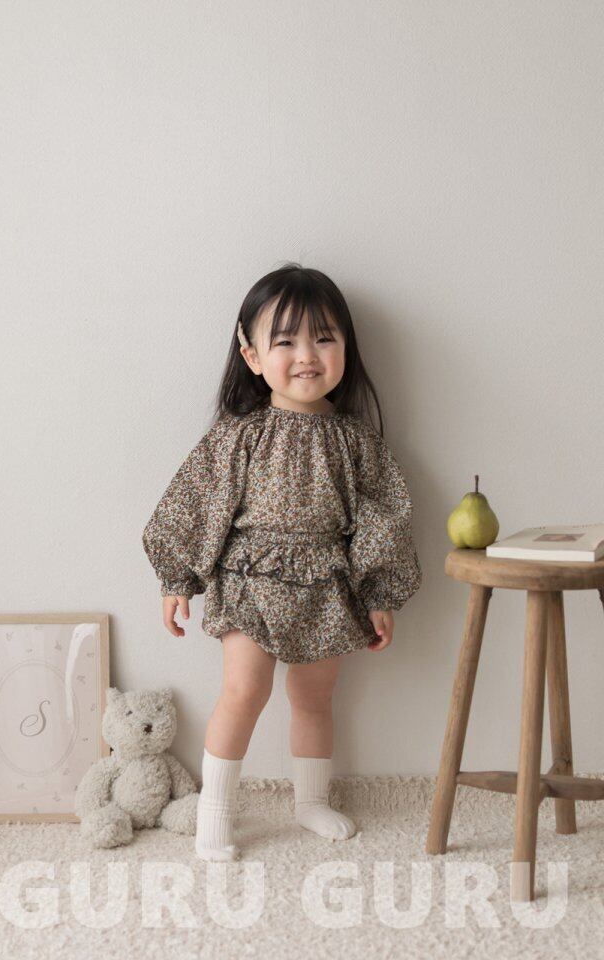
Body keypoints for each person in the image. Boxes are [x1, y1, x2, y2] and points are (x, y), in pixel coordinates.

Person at [142, 262, 422, 861]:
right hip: (250, 580)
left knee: (315, 697)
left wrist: (380, 594)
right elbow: (195, 498)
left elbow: (381, 517)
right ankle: (217, 810)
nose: (306, 356)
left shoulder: (357, 442)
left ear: (346, 347)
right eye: (286, 341)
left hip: (326, 584)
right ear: (251, 355)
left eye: (323, 338)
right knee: (244, 690)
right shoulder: (239, 435)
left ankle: (311, 800)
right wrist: (176, 577)